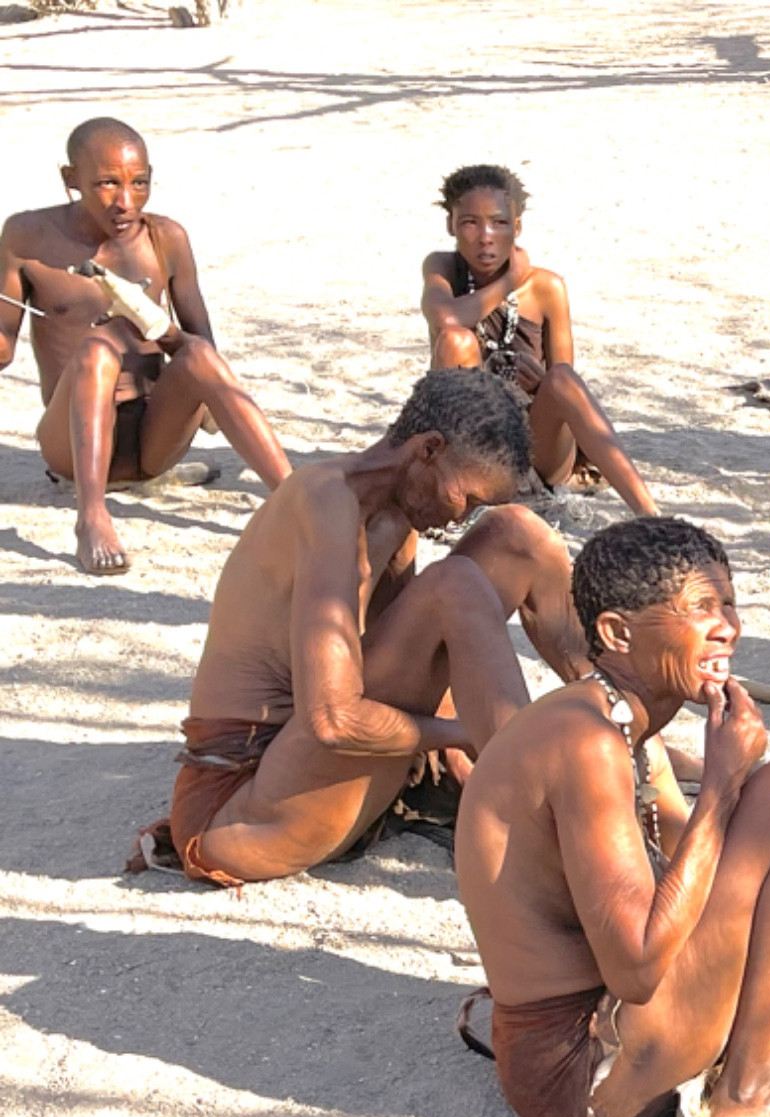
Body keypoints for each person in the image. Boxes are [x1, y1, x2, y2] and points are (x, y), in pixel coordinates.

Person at [453, 516, 770, 1117]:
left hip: (624, 1019)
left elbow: (719, 871)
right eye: (700, 610)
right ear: (618, 633)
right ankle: (748, 1089)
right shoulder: (585, 740)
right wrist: (724, 786)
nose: (728, 628)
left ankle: (763, 1051)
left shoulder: (622, 725)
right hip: (580, 1067)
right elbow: (636, 968)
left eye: (730, 604)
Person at [131, 368, 588, 887]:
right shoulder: (326, 503)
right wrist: (471, 734)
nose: (461, 522)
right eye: (468, 500)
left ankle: (623, 728)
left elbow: (413, 659)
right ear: (428, 450)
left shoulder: (395, 515)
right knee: (455, 581)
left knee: (517, 536)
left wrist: (450, 746)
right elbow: (332, 721)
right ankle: (540, 786)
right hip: (244, 809)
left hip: (323, 769)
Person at [0, 117, 293, 575]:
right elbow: (3, 349)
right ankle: (92, 516)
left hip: (154, 443)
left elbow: (203, 351)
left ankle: (292, 496)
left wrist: (156, 327)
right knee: (100, 345)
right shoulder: (25, 238)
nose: (125, 201)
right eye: (106, 184)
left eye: (140, 183)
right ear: (70, 179)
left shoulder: (166, 238)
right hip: (71, 447)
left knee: (196, 354)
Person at [422, 164, 661, 518]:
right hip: (474, 446)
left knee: (561, 378)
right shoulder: (442, 268)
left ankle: (650, 514)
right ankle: (466, 492)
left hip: (539, 445)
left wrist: (540, 383)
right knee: (457, 341)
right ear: (451, 226)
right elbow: (446, 319)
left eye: (500, 223)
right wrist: (509, 281)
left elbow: (566, 381)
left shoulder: (547, 288)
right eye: (470, 222)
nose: (485, 235)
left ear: (517, 227)